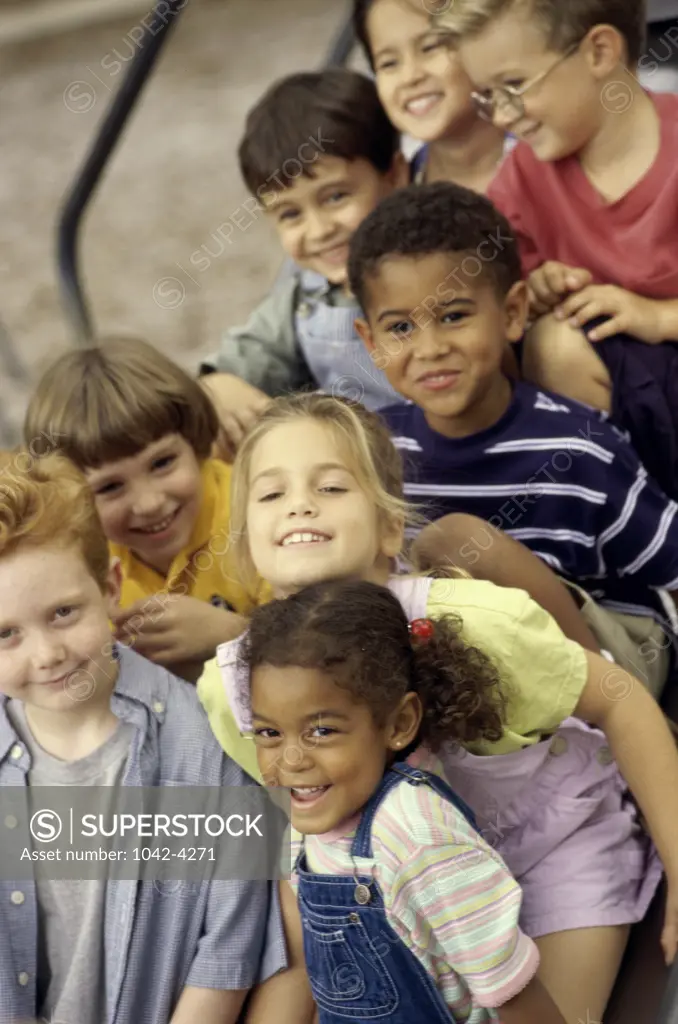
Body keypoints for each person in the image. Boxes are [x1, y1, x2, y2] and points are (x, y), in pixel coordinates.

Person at [200, 390, 678, 1023]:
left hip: (555, 848)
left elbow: (621, 701)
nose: (300, 504)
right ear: (245, 545)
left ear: (390, 527)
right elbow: (303, 835)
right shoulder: (235, 683)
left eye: (332, 487)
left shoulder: (471, 623)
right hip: (415, 887)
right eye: (270, 494)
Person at [348, 180, 678, 705]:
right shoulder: (374, 452)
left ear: (514, 312)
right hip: (461, 674)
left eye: (454, 316)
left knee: (453, 546)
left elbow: (672, 570)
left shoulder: (580, 448)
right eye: (401, 327)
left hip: (607, 660)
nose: (429, 348)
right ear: (370, 341)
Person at [0, 449, 299, 1024]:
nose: (47, 654)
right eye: (6, 633)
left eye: (64, 613)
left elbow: (227, 947)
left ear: (111, 586)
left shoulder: (204, 742)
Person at [241, 577, 567, 1023]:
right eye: (269, 733)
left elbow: (521, 1004)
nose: (291, 759)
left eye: (322, 731)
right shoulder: (299, 821)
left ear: (399, 723)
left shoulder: (420, 837)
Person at [430, 0, 678, 500]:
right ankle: (628, 533)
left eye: (515, 86)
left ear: (600, 51)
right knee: (534, 340)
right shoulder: (523, 177)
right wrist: (532, 291)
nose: (501, 115)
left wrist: (657, 316)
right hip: (631, 414)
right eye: (488, 96)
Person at [23, 337, 260, 693]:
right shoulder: (75, 555)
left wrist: (233, 634)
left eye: (162, 463)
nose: (148, 503)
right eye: (110, 487)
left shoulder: (259, 512)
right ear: (72, 499)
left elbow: (332, 644)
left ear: (195, 443)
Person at [198, 67, 409, 454]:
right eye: (290, 215)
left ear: (394, 175)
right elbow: (248, 354)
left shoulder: (441, 267)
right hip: (355, 475)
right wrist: (218, 383)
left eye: (335, 197)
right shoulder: (306, 295)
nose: (319, 230)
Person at [353, 0, 507, 191]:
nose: (410, 77)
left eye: (430, 47)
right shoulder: (398, 191)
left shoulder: (543, 152)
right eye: (389, 63)